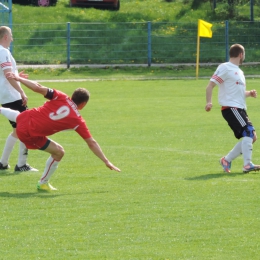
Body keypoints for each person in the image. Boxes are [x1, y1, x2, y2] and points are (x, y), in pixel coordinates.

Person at [0, 72, 121, 191]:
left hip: (25, 117)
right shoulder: (77, 120)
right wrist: (106, 161)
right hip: (29, 134)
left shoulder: (61, 96)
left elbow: (38, 87)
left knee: (20, 117)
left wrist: (18, 78)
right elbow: (92, 143)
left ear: (73, 95)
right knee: (59, 152)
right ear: (83, 104)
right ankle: (43, 183)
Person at [205, 43, 260, 174]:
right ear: (241, 54)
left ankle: (226, 159)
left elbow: (238, 93)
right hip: (230, 107)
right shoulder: (225, 67)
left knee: (252, 137)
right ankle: (247, 164)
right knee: (248, 131)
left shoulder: (240, 72)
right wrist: (209, 102)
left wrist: (249, 94)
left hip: (240, 108)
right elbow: (210, 86)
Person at [0, 26, 37, 172]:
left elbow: (7, 74)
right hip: (12, 95)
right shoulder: (3, 52)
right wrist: (21, 91)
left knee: (17, 130)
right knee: (26, 128)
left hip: (6, 95)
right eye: (11, 35)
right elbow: (8, 75)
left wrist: (18, 75)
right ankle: (21, 164)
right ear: (5, 37)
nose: (12, 38)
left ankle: (3, 163)